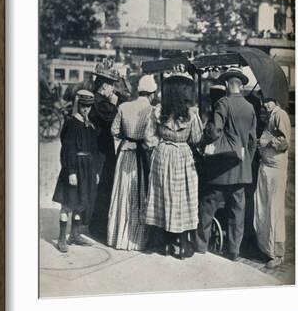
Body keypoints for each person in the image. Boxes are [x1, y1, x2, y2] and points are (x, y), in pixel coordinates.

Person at [196, 67, 257, 261]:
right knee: (237, 213)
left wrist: (205, 137)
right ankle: (233, 252)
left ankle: (200, 246)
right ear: (240, 85)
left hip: (220, 170)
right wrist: (245, 159)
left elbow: (214, 132)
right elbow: (252, 141)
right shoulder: (250, 107)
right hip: (241, 170)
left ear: (227, 84)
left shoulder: (223, 102)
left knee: (207, 206)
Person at [144, 68, 205, 259]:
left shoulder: (159, 110)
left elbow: (148, 137)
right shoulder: (191, 114)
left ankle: (166, 244)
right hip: (183, 155)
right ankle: (185, 245)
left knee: (164, 197)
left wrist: (158, 146)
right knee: (184, 198)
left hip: (163, 154)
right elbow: (196, 138)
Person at [107, 75, 158, 250]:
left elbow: (114, 130)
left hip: (125, 153)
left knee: (122, 192)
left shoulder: (124, 106)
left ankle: (117, 236)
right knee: (138, 194)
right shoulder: (151, 110)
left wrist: (126, 136)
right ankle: (135, 239)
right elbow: (151, 139)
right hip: (141, 156)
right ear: (152, 93)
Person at [52, 90, 101, 253]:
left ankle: (75, 234)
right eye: (83, 106)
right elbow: (67, 149)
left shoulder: (89, 124)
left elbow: (93, 150)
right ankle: (61, 238)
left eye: (88, 106)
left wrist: (95, 171)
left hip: (87, 169)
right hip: (73, 168)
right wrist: (71, 171)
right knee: (68, 203)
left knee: (81, 203)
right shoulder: (72, 123)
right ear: (77, 105)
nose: (86, 109)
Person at [254, 98, 291, 268]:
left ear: (275, 101)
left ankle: (277, 253)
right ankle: (266, 248)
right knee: (263, 207)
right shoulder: (269, 116)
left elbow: (284, 142)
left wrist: (268, 142)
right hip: (266, 166)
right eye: (263, 101)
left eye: (268, 101)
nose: (265, 104)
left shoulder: (280, 114)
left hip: (276, 168)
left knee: (274, 209)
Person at [88, 60, 120, 241]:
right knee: (104, 187)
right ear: (104, 86)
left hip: (98, 148)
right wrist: (115, 104)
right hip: (101, 151)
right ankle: (98, 227)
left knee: (101, 186)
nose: (113, 90)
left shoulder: (95, 100)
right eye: (112, 86)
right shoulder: (102, 104)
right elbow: (115, 121)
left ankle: (94, 223)